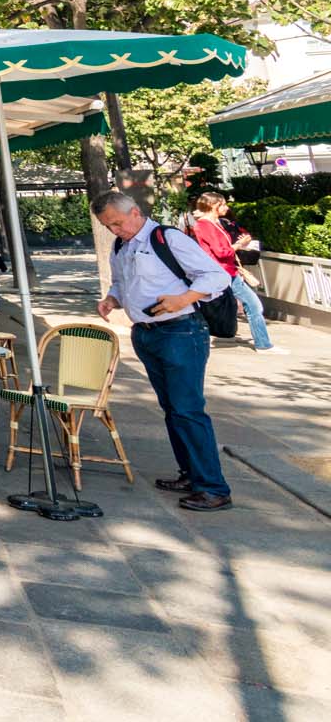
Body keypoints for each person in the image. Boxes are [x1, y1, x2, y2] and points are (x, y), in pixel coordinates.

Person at [95, 192, 233, 511]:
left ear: (135, 212)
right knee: (172, 408)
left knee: (188, 408)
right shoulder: (121, 246)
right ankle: (190, 473)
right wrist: (112, 299)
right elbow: (121, 282)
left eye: (117, 223)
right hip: (146, 333)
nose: (115, 230)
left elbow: (217, 276)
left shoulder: (166, 237)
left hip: (181, 330)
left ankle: (213, 487)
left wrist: (183, 299)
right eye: (108, 226)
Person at [190, 193, 275, 353]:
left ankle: (262, 343)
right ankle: (263, 344)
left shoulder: (212, 224)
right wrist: (239, 245)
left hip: (224, 271)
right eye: (223, 205)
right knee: (253, 305)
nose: (226, 208)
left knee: (203, 303)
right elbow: (221, 252)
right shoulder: (206, 225)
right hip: (224, 271)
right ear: (214, 206)